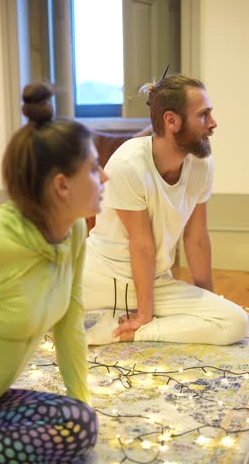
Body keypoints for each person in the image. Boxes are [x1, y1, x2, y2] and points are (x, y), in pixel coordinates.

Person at [0, 82, 107, 463]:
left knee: (80, 423)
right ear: (62, 186)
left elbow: (71, 324)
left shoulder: (73, 231)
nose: (104, 178)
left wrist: (81, 398)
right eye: (93, 168)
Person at [83, 74, 248, 346]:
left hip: (154, 281)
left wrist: (206, 300)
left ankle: (131, 332)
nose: (213, 123)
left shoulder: (201, 164)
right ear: (171, 121)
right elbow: (142, 244)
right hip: (100, 278)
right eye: (204, 115)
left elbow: (196, 238)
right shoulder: (128, 164)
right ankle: (132, 319)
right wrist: (145, 313)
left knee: (234, 323)